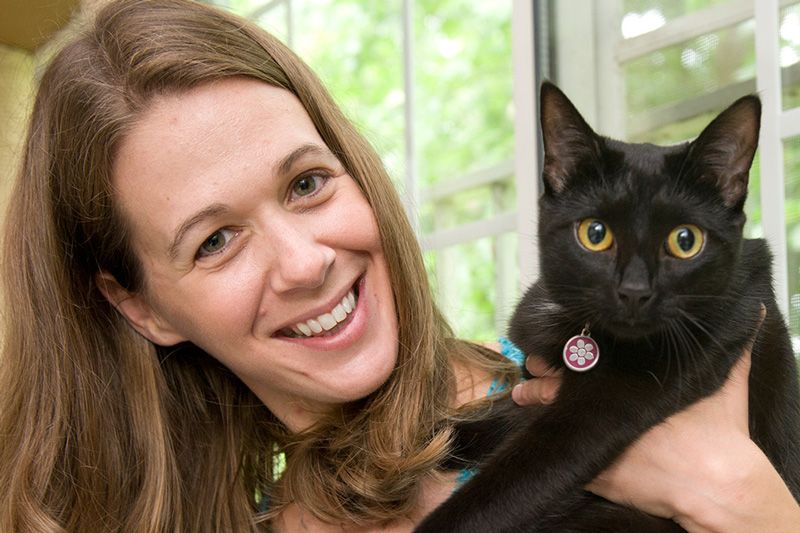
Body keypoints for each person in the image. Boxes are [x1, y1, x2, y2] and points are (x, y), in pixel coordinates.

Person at [0, 0, 797, 531]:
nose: (306, 264)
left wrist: (747, 500)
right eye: (215, 240)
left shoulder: (590, 386)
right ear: (142, 307)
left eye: (307, 183)